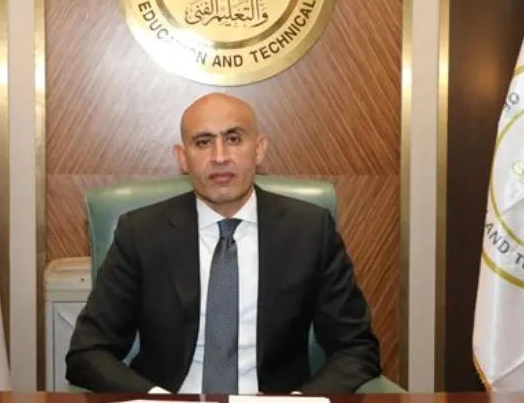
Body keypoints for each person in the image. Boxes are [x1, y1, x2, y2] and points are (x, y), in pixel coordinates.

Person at [65, 93, 382, 394]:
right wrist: (157, 399)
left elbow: (356, 347)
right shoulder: (141, 233)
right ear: (183, 158)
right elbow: (88, 352)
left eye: (233, 139)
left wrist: (299, 401)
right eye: (203, 142)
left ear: (259, 149)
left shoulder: (309, 230)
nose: (219, 157)